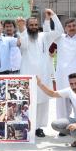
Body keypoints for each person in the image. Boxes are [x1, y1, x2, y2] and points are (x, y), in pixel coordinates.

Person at [17, 8, 64, 137]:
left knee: (43, 102)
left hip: (43, 75)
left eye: (35, 25)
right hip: (28, 74)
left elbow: (59, 31)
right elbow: (24, 46)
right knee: (28, 101)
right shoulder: (22, 35)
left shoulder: (44, 36)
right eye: (30, 25)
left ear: (38, 26)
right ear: (27, 26)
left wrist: (52, 16)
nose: (33, 27)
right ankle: (27, 126)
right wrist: (22, 29)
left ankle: (39, 127)